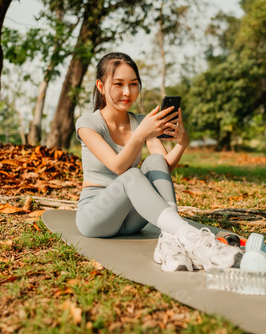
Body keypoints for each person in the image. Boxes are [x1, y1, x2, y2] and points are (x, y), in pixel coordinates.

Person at [75, 52, 241, 272]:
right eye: (118, 84)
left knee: (153, 159)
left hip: (132, 219)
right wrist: (139, 136)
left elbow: (162, 167)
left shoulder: (143, 122)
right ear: (101, 86)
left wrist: (182, 144)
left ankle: (169, 239)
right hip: (96, 216)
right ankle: (186, 235)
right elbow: (117, 167)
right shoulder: (87, 123)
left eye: (133, 84)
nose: (127, 92)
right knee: (132, 174)